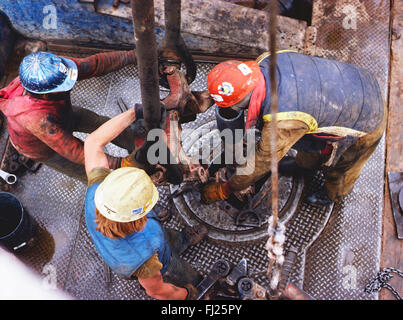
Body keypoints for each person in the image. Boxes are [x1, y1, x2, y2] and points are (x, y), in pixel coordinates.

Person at [201, 51, 386, 206]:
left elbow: (261, 162)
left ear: (241, 102)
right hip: (354, 79)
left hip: (366, 119)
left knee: (342, 168)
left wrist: (225, 189)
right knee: (309, 141)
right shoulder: (265, 60)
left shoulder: (282, 119)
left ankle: (332, 195)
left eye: (232, 106)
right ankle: (304, 166)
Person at [83, 107, 207, 300]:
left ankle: (181, 240)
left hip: (149, 240)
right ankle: (193, 282)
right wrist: (187, 294)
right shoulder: (145, 263)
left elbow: (92, 142)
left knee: (166, 237)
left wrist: (134, 112)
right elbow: (157, 291)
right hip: (156, 260)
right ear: (140, 219)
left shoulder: (97, 191)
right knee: (178, 270)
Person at [0, 50, 138, 183]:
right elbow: (74, 150)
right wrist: (119, 162)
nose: (69, 86)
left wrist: (131, 56)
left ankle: (141, 143)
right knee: (94, 172)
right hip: (43, 147)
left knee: (100, 123)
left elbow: (95, 65)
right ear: (45, 93)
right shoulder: (34, 118)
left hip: (61, 114)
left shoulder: (56, 69)